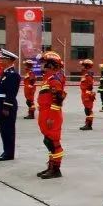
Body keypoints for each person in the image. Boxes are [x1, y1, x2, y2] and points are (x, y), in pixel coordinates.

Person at [35, 51, 67, 179]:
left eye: (45, 63)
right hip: (45, 112)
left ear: (52, 65)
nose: (43, 65)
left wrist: (51, 117)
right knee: (48, 141)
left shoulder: (54, 79)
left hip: (51, 114)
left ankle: (56, 169)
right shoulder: (48, 78)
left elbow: (58, 100)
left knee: (53, 142)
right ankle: (51, 165)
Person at [0, 49, 20, 161]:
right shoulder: (5, 73)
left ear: (9, 60)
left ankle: (9, 154)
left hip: (6, 107)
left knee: (8, 130)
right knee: (3, 130)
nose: (0, 60)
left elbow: (11, 93)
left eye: (2, 58)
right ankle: (6, 151)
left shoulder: (13, 75)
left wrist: (6, 107)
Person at [78, 58, 96, 130]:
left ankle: (89, 125)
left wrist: (88, 93)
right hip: (85, 93)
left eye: (83, 65)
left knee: (88, 110)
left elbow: (90, 85)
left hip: (87, 94)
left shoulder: (88, 75)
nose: (82, 67)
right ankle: (88, 124)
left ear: (87, 66)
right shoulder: (85, 74)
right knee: (87, 109)